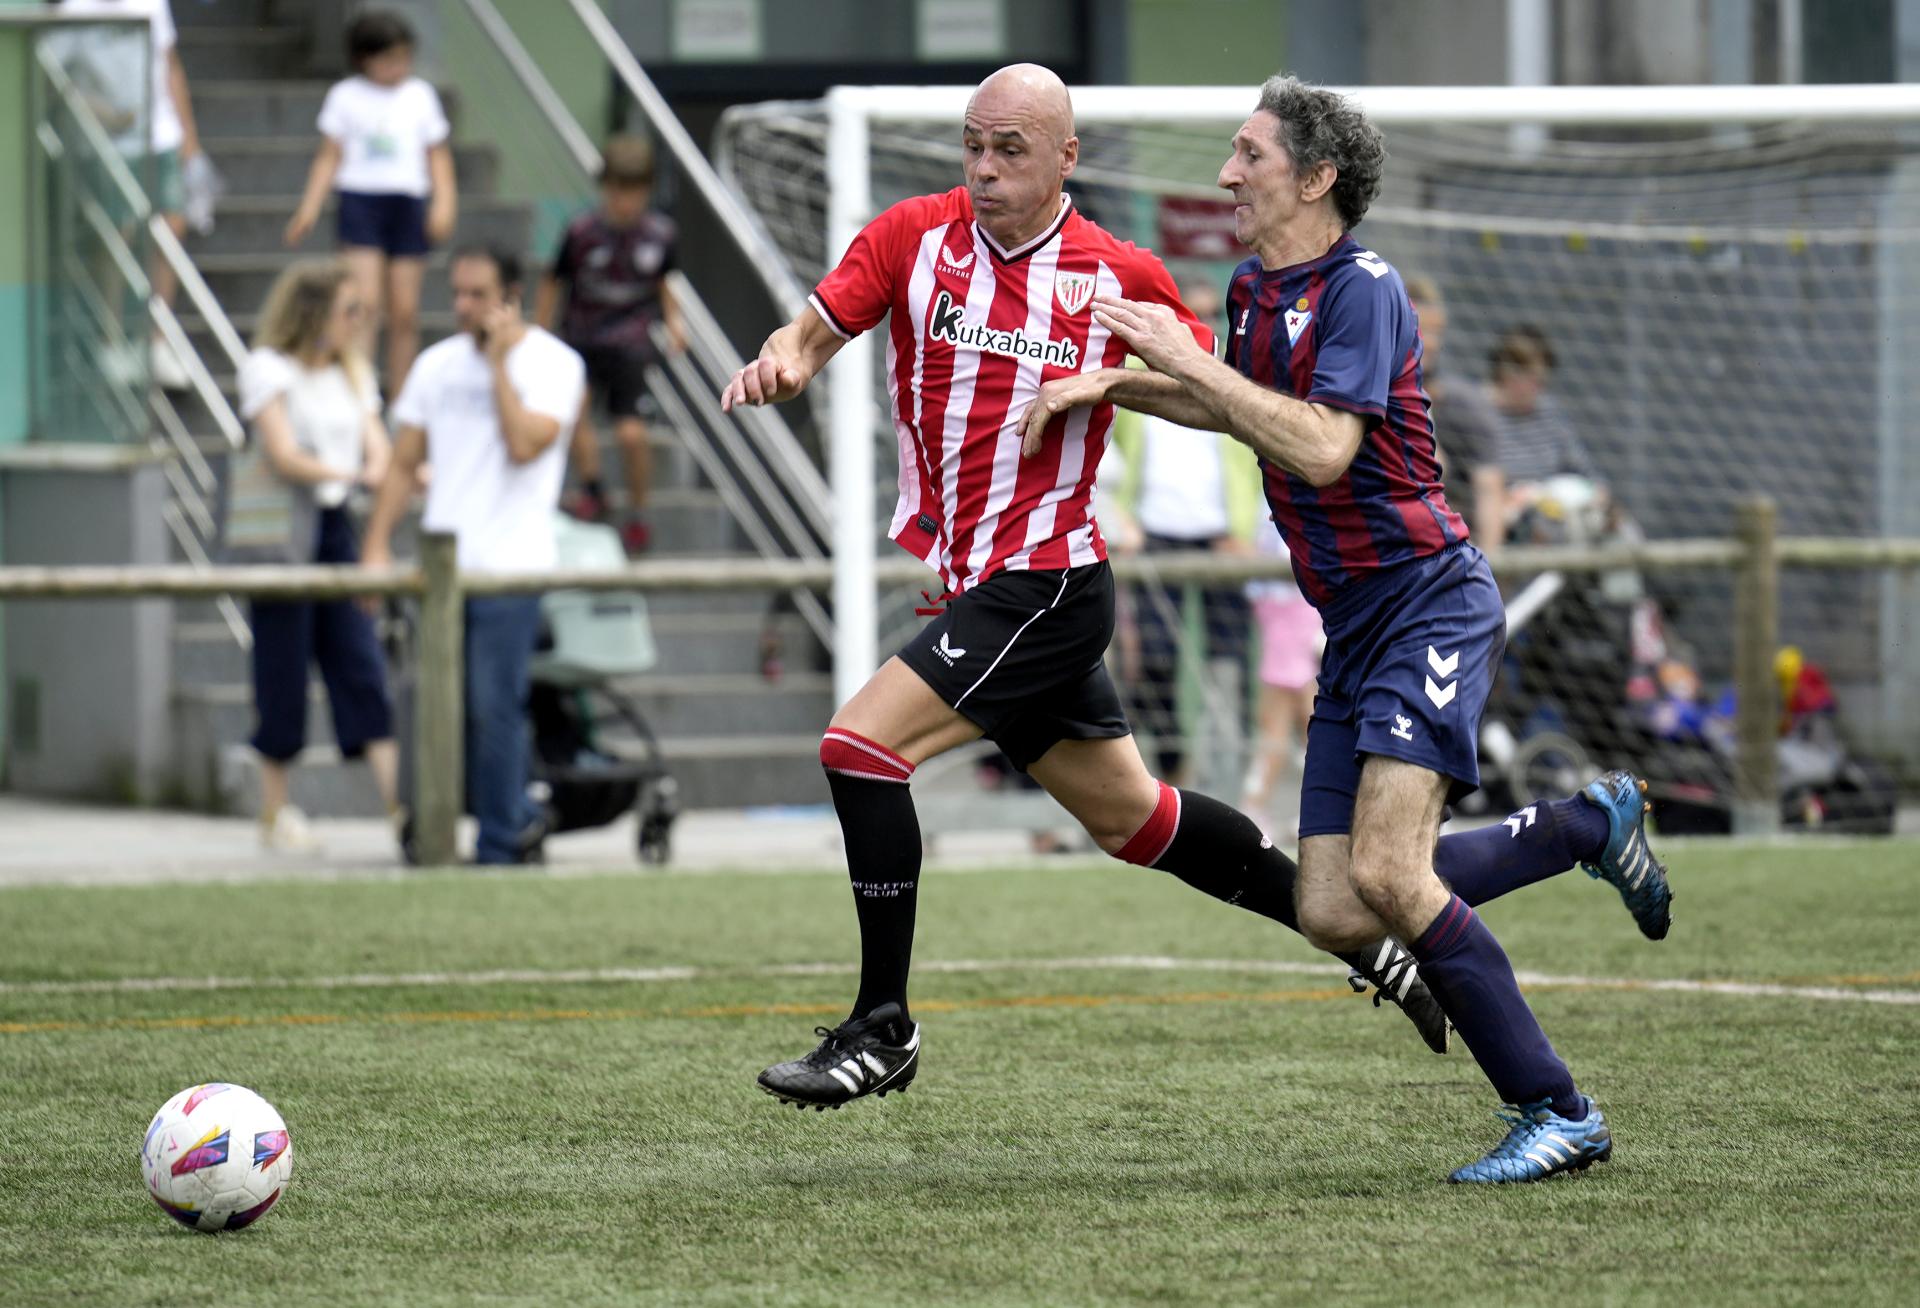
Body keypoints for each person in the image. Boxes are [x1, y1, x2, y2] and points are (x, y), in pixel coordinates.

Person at [721, 63, 1455, 1114]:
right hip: (979, 585)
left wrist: (1127, 380)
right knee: (1136, 823)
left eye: (1010, 148)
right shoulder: (909, 239)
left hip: (1050, 584)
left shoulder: (1113, 271)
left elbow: (1224, 391)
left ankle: (883, 1027)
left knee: (858, 750)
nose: (984, 168)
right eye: (973, 145)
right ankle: (1368, 942)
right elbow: (813, 329)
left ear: (1067, 156)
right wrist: (787, 360)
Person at [1029, 74, 1674, 1183]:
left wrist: (1173, 362)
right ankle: (1583, 826)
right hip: (1356, 625)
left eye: (1250, 155)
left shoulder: (1365, 288)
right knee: (1334, 903)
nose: (1227, 174)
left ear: (1317, 179)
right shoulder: (1248, 284)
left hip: (1429, 598)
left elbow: (1322, 449)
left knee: (1389, 871)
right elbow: (1237, 405)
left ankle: (1559, 1109)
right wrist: (1114, 387)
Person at [360, 247, 586, 865]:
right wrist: (376, 544)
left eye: (477, 294)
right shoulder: (435, 366)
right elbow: (405, 461)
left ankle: (501, 840)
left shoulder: (554, 364)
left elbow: (522, 446)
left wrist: (497, 369)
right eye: (457, 293)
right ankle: (435, 836)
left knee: (493, 705)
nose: (463, 306)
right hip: (441, 570)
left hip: (511, 566)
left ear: (511, 297)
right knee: (437, 708)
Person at [237, 259, 401, 852]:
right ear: (315, 313)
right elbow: (282, 452)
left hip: (336, 524)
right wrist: (352, 472)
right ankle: (275, 812)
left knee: (359, 657)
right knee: (281, 664)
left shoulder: (352, 374)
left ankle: (399, 803)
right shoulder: (268, 369)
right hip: (285, 530)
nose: (356, 322)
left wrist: (372, 472)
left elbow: (380, 447)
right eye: (346, 310)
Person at [1101, 279, 1262, 788]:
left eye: (1211, 314)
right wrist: (1120, 518)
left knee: (1229, 660)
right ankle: (1171, 773)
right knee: (1153, 659)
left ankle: (1231, 779)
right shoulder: (1128, 375)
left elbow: (1260, 460)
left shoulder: (1232, 374)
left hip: (1221, 537)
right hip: (1152, 534)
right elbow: (1107, 452)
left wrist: (1248, 532)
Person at [285, 9, 456, 395]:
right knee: (366, 304)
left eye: (404, 58)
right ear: (365, 59)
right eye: (389, 59)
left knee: (405, 311)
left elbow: (437, 155)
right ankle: (362, 393)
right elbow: (329, 155)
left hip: (408, 201)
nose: (398, 68)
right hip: (361, 200)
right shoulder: (346, 96)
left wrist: (444, 201)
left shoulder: (420, 95)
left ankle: (401, 398)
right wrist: (310, 206)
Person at [535, 134, 685, 556]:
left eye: (634, 191)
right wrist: (539, 332)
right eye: (617, 190)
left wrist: (675, 322)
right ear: (604, 188)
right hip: (580, 338)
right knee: (572, 409)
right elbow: (553, 280)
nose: (625, 201)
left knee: (632, 435)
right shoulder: (581, 231)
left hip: (630, 344)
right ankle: (593, 487)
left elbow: (664, 283)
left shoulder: (661, 234)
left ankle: (638, 514)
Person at [54, 0, 204, 391]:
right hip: (108, 143)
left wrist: (189, 136)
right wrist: (98, 111)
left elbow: (170, 64)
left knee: (170, 228)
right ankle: (111, 341)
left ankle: (157, 340)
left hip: (161, 135)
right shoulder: (74, 10)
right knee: (115, 237)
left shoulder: (152, 4)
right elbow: (54, 74)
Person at [1476, 324, 1602, 552]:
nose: (1538, 388)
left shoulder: (1548, 412)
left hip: (1554, 509)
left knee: (1618, 531)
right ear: (1507, 373)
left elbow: (1585, 472)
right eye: (1533, 379)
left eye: (1542, 380)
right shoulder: (1476, 412)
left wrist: (1600, 496)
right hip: (1507, 519)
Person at [1403, 276, 1501, 543]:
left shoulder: (1464, 404)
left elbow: (1488, 489)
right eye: (1422, 331)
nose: (1432, 344)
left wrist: (1492, 569)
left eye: (1437, 333)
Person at [1241, 526, 1321, 837]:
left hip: (1305, 608)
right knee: (1287, 720)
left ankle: (1261, 804)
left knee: (1307, 718)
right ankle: (1255, 805)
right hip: (1283, 608)